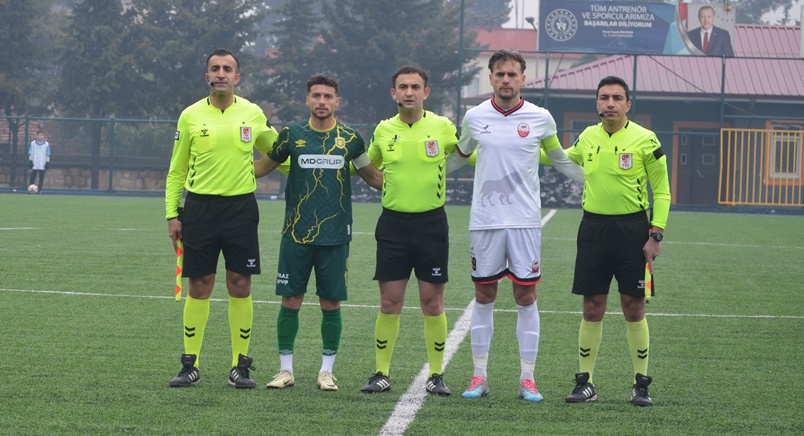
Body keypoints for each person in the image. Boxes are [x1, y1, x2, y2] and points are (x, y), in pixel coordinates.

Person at [446, 49, 584, 403]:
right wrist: (418, 169)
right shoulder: (475, 117)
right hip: (485, 223)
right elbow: (459, 158)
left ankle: (528, 379)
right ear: (491, 78)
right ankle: (479, 376)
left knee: (526, 296)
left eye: (512, 74)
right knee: (484, 295)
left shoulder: (541, 118)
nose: (506, 80)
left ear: (523, 78)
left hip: (524, 223)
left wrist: (594, 181)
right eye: (500, 74)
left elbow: (559, 159)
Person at [254, 74, 382, 392]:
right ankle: (285, 370)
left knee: (331, 302)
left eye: (327, 96)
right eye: (316, 95)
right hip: (295, 233)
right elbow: (260, 168)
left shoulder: (351, 139)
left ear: (337, 101)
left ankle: (327, 371)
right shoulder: (291, 134)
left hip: (335, 235)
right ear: (307, 100)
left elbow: (373, 177)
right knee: (290, 299)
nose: (321, 101)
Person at [165, 48, 278, 389]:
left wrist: (258, 170)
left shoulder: (252, 113)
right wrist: (172, 214)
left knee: (240, 284)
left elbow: (278, 151)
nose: (221, 73)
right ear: (207, 76)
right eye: (215, 68)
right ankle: (190, 364)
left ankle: (239, 366)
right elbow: (177, 170)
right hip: (200, 209)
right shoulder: (190, 116)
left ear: (237, 77)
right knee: (199, 285)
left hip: (241, 210)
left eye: (227, 68)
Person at [562, 76, 670, 407]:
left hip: (632, 232)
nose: (610, 103)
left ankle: (641, 384)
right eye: (604, 97)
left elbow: (662, 191)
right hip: (593, 230)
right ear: (596, 103)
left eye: (617, 98)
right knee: (592, 306)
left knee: (633, 306)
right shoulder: (587, 137)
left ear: (628, 104)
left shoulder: (646, 140)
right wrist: (520, 145)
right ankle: (585, 382)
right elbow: (559, 157)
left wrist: (655, 234)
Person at [359, 65, 459, 396]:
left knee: (433, 302)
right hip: (393, 226)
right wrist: (374, 177)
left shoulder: (442, 127)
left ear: (425, 92)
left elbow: (465, 155)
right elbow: (368, 165)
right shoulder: (384, 130)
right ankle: (381, 373)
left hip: (432, 225)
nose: (409, 92)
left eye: (415, 87)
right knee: (390, 302)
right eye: (403, 87)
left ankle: (436, 374)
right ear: (394, 93)